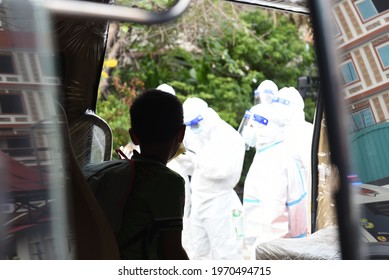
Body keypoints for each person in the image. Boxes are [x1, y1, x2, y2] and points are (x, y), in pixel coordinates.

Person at [115, 89, 189, 260]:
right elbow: (172, 252)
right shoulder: (169, 182)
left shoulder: (120, 170)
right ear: (181, 134)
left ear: (133, 136)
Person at [182, 97, 246, 260]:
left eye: (194, 124)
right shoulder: (195, 134)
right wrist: (185, 161)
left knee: (226, 255)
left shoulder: (228, 136)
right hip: (198, 201)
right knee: (198, 254)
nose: (192, 129)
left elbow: (226, 171)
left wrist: (197, 162)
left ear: (205, 116)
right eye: (188, 125)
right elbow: (194, 169)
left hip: (220, 204)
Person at [243, 103, 307, 259]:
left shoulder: (271, 162)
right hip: (273, 246)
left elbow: (275, 221)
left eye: (251, 125)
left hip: (269, 248)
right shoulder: (273, 153)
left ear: (265, 127)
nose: (247, 130)